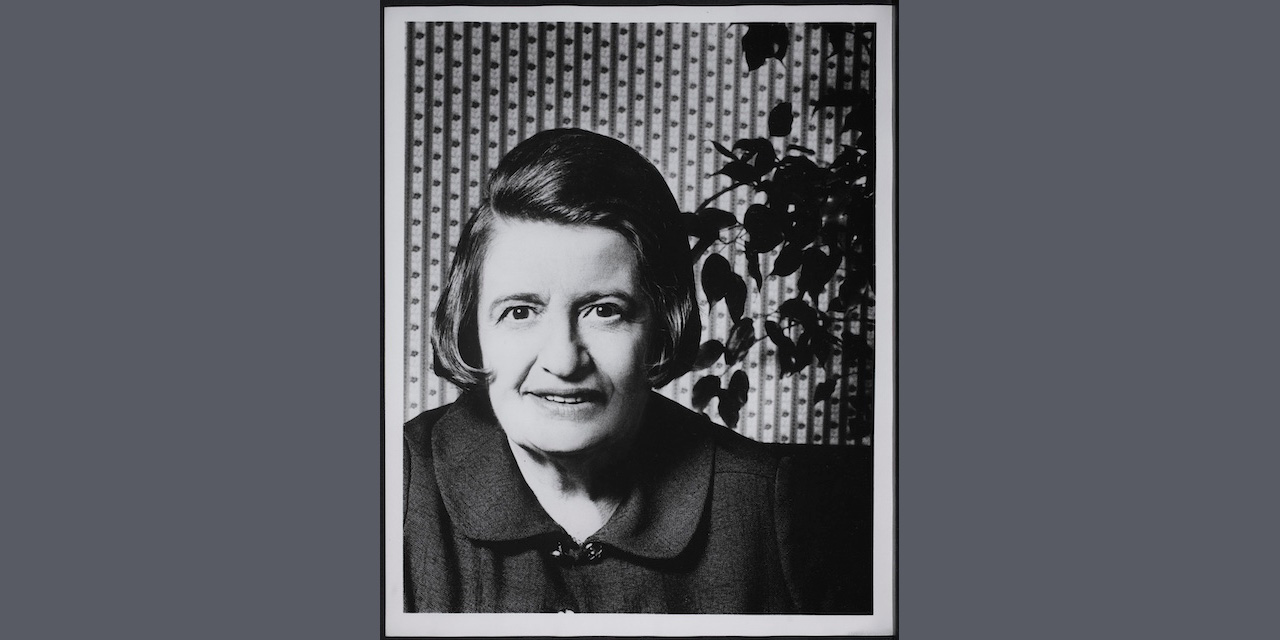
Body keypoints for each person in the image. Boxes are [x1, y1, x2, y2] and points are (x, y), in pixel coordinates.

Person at [403, 128, 869, 613]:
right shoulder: (393, 489)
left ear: (661, 327)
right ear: (472, 329)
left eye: (605, 311)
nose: (563, 361)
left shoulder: (770, 506)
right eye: (520, 312)